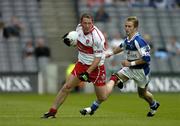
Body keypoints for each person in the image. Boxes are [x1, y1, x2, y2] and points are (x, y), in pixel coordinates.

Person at [41, 13, 107, 118]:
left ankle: (114, 80)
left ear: (92, 23)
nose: (87, 25)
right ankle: (52, 112)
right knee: (67, 87)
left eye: (89, 23)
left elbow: (98, 59)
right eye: (85, 23)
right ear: (81, 23)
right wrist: (71, 42)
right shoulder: (78, 29)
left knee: (102, 97)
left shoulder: (97, 37)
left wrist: (87, 72)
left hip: (96, 68)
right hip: (81, 64)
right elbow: (78, 42)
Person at [104, 16, 160, 117]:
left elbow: (147, 59)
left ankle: (154, 104)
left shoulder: (139, 41)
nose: (127, 28)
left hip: (142, 72)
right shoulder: (128, 39)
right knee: (114, 78)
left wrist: (130, 63)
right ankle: (119, 81)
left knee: (142, 94)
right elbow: (121, 46)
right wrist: (111, 53)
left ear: (135, 28)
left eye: (129, 26)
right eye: (125, 26)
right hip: (129, 69)